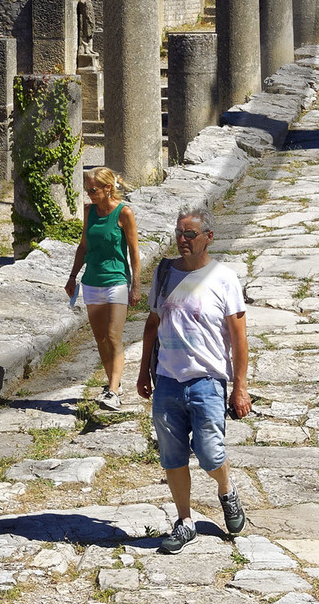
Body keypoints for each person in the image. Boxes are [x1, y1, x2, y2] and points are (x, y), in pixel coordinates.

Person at [137, 207, 250, 551]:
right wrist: (144, 370)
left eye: (190, 235)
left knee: (210, 454)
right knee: (172, 457)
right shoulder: (165, 273)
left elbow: (238, 336)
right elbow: (153, 324)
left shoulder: (224, 279)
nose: (182, 240)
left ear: (208, 238)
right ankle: (184, 521)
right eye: (179, 233)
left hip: (207, 380)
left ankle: (226, 491)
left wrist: (241, 387)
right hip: (168, 379)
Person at [64, 166, 139, 406]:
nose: (89, 194)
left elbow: (135, 253)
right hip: (92, 282)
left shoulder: (124, 213)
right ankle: (112, 385)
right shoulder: (89, 212)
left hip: (116, 281)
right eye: (87, 189)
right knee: (100, 339)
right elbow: (83, 247)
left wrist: (135, 285)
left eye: (93, 189)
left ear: (108, 188)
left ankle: (114, 392)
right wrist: (73, 276)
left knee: (113, 335)